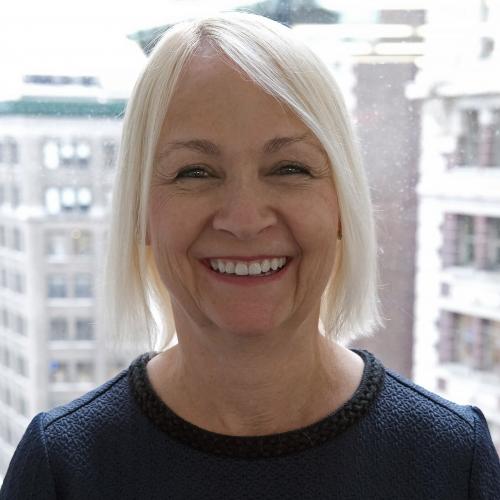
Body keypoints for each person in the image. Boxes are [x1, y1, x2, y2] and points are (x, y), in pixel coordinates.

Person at [1, 11, 499, 500]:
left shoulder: (452, 459)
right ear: (140, 213)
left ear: (343, 206)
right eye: (195, 172)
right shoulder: (62, 467)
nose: (244, 219)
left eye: (289, 168)